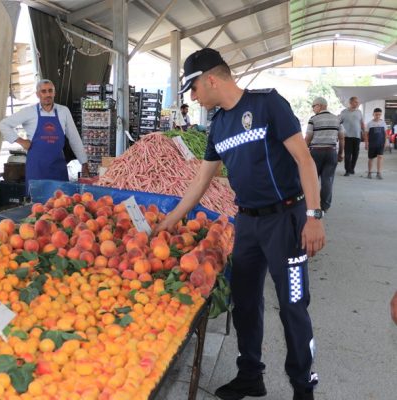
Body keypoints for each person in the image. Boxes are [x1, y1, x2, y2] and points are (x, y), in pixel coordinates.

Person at [155, 48, 324, 400]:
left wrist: (314, 216)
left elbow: (305, 161)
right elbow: (201, 182)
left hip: (287, 221)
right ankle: (251, 375)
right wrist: (170, 221)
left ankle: (303, 384)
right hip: (246, 224)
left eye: (195, 88)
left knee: (292, 303)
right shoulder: (218, 126)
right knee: (245, 301)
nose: (193, 97)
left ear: (211, 79)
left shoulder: (268, 105)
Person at [0, 79, 89, 189]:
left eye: (50, 91)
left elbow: (74, 138)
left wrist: (84, 163)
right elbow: (3, 124)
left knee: (61, 201)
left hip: (57, 167)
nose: (47, 94)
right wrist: (21, 141)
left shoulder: (63, 111)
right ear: (38, 94)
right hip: (37, 168)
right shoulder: (29, 112)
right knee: (37, 203)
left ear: (54, 93)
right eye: (43, 91)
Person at [304, 97, 345, 211]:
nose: (313, 109)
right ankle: (324, 206)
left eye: (314, 106)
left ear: (320, 106)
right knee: (328, 180)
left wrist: (303, 152)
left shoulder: (313, 119)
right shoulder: (337, 119)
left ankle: (313, 205)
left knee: (313, 179)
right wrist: (341, 153)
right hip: (331, 152)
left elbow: (308, 138)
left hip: (316, 152)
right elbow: (341, 138)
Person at [339, 96, 365, 176]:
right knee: (347, 154)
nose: (357, 103)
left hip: (357, 136)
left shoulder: (359, 112)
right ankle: (347, 170)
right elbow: (338, 122)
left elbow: (361, 123)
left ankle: (352, 168)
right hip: (347, 136)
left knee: (355, 154)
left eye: (358, 102)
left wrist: (364, 132)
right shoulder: (344, 112)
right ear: (350, 102)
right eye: (355, 102)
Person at [364, 108, 388, 179]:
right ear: (373, 114)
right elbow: (366, 134)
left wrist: (386, 142)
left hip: (381, 143)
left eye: (379, 115)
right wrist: (366, 143)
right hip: (372, 144)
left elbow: (385, 134)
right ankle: (369, 172)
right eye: (376, 114)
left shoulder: (383, 123)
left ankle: (379, 173)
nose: (378, 116)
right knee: (371, 158)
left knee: (380, 157)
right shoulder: (369, 124)